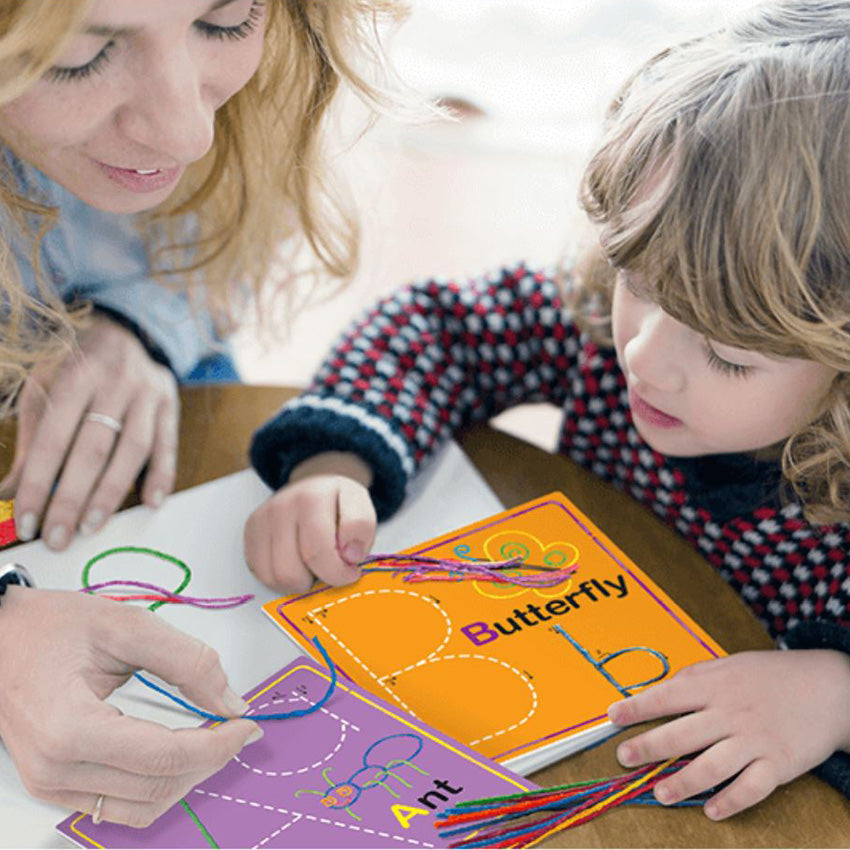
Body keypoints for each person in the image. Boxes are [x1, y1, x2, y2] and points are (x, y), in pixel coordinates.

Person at [247, 0, 850, 823]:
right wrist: (335, 462)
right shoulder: (602, 324)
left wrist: (834, 692)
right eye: (640, 280)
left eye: (727, 354)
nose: (642, 357)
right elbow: (436, 330)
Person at [0, 0, 407, 829]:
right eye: (80, 56)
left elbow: (231, 239)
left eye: (226, 22)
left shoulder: (266, 78)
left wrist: (143, 324)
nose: (189, 133)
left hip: (171, 387)